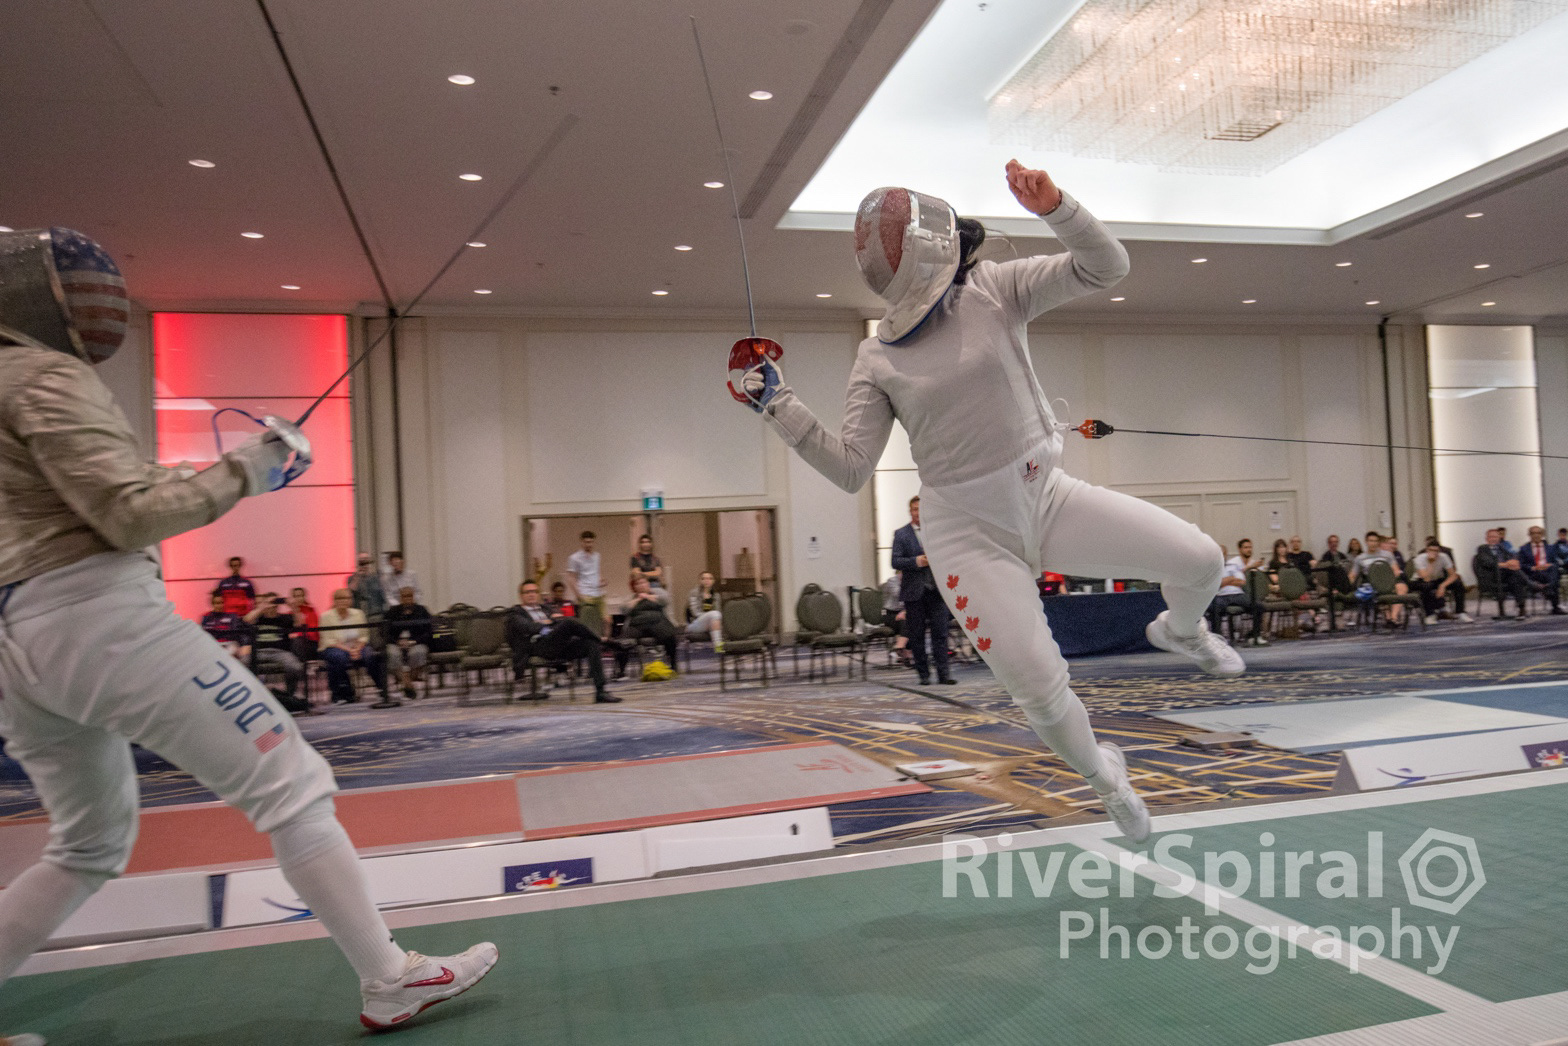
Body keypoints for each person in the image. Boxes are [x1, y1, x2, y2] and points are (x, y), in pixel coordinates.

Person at [0, 226, 494, 1042]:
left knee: (88, 840)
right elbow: (126, 516)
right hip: (95, 618)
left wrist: (235, 465)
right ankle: (390, 978)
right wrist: (254, 469)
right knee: (289, 781)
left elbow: (93, 494)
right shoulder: (45, 375)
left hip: (16, 647)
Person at [731, 162, 1242, 843]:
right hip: (966, 533)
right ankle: (1104, 779)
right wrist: (778, 404)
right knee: (1037, 683)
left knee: (1200, 559)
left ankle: (1181, 631)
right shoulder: (875, 356)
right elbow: (853, 468)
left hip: (1047, 495)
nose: (874, 251)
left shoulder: (995, 289)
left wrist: (1057, 208)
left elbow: (1107, 266)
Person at [505, 580, 617, 703]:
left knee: (590, 644)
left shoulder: (546, 608)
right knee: (569, 622)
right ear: (521, 595)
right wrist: (551, 623)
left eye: (534, 591)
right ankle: (604, 640)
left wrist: (551, 622)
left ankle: (600, 691)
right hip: (538, 646)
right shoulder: (515, 612)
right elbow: (528, 627)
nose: (531, 594)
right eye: (527, 592)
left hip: (558, 645)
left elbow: (560, 620)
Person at [891, 496, 955, 685]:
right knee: (917, 635)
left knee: (941, 634)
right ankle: (924, 675)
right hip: (914, 592)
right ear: (910, 511)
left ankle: (944, 674)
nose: (918, 513)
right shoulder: (901, 534)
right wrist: (916, 562)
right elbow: (895, 561)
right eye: (915, 509)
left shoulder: (937, 533)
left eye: (921, 509)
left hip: (936, 591)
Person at [319, 588, 394, 707]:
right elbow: (329, 640)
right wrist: (350, 651)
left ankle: (381, 688)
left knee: (371, 655)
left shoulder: (358, 613)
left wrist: (357, 648)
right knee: (338, 657)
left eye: (347, 598)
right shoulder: (326, 616)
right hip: (335, 647)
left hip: (358, 646)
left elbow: (364, 636)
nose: (344, 601)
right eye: (341, 598)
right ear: (335, 600)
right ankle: (342, 692)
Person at [244, 593, 307, 711]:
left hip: (280, 652)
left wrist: (293, 607)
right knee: (242, 664)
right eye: (269, 604)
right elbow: (246, 620)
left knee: (295, 667)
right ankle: (253, 697)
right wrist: (261, 607)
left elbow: (300, 624)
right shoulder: (258, 618)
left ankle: (288, 696)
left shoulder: (284, 618)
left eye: (274, 604)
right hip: (259, 652)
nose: (272, 607)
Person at [614, 576, 678, 679]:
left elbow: (665, 601)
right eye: (638, 584)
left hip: (657, 622)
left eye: (643, 583)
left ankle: (673, 665)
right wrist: (638, 599)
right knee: (623, 642)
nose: (641, 585)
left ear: (648, 584)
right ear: (635, 587)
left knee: (670, 637)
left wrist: (648, 596)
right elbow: (624, 609)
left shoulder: (656, 594)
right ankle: (621, 671)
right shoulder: (631, 598)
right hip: (637, 625)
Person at [381, 587, 433, 702]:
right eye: (404, 596)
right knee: (391, 653)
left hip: (416, 642)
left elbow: (429, 632)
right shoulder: (392, 612)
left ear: (413, 597)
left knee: (419, 652)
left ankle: (406, 684)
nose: (407, 599)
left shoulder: (422, 611)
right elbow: (384, 632)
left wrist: (413, 641)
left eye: (410, 596)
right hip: (395, 643)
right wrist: (397, 642)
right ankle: (408, 685)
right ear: (400, 598)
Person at [1212, 540, 1265, 645]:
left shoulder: (1233, 565)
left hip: (1238, 594)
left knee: (1258, 606)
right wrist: (1231, 579)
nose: (1222, 556)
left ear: (1226, 555)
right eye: (1219, 554)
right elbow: (1215, 584)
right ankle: (1217, 639)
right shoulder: (1212, 569)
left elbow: (1242, 581)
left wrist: (1225, 581)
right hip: (1221, 596)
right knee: (1214, 608)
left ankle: (1253, 635)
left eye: (1224, 554)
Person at [1476, 528, 1530, 618]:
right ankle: (1530, 583)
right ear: (1487, 538)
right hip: (1490, 577)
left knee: (1516, 580)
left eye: (1496, 537)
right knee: (1515, 574)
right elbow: (1488, 563)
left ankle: (1521, 610)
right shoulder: (1482, 548)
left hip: (1504, 576)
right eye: (1491, 537)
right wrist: (1505, 564)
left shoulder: (1501, 548)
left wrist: (1513, 562)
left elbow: (1511, 556)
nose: (1493, 539)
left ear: (1499, 538)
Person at [1410, 540, 1463, 625]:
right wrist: (1431, 562)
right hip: (1419, 581)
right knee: (1427, 585)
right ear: (1427, 550)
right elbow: (1426, 578)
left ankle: (1461, 612)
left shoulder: (1444, 557)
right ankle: (1430, 615)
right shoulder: (1420, 558)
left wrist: (1442, 586)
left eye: (1436, 551)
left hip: (1437, 580)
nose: (1434, 553)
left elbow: (1453, 575)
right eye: (1431, 550)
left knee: (1458, 583)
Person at [566, 531, 606, 634]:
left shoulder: (597, 555)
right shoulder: (574, 558)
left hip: (598, 592)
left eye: (591, 542)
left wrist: (601, 580)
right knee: (587, 624)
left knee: (605, 621)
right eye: (587, 542)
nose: (589, 545)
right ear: (581, 542)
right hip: (585, 593)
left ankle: (602, 645)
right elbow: (571, 578)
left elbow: (597, 571)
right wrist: (579, 596)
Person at [1519, 525, 1565, 615]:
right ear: (1529, 535)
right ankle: (1549, 591)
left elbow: (1557, 561)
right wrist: (1533, 567)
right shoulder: (1524, 549)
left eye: (1538, 533)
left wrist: (1549, 565)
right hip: (1533, 574)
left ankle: (1548, 590)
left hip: (1548, 572)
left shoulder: (1550, 548)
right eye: (1533, 533)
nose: (1536, 535)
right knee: (1550, 576)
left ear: (1542, 534)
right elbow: (1521, 565)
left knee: (1554, 569)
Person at [686, 571, 724, 652]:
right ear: (700, 581)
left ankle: (718, 648)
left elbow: (719, 611)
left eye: (710, 579)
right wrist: (709, 615)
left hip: (711, 622)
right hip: (695, 624)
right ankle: (719, 647)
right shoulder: (694, 593)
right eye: (704, 579)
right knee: (715, 614)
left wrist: (710, 617)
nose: (707, 581)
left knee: (715, 617)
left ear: (713, 581)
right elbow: (694, 612)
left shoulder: (716, 595)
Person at [345, 552, 387, 619]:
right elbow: (350, 593)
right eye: (361, 561)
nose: (364, 563)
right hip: (358, 615)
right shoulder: (352, 578)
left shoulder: (377, 577)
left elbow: (383, 594)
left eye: (366, 560)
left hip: (376, 614)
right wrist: (358, 576)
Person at [288, 585, 321, 663]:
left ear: (304, 597)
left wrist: (298, 634)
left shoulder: (311, 611)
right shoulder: (289, 614)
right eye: (295, 596)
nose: (298, 598)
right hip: (296, 643)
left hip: (311, 642)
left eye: (300, 596)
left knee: (297, 642)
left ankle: (301, 668)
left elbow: (313, 631)